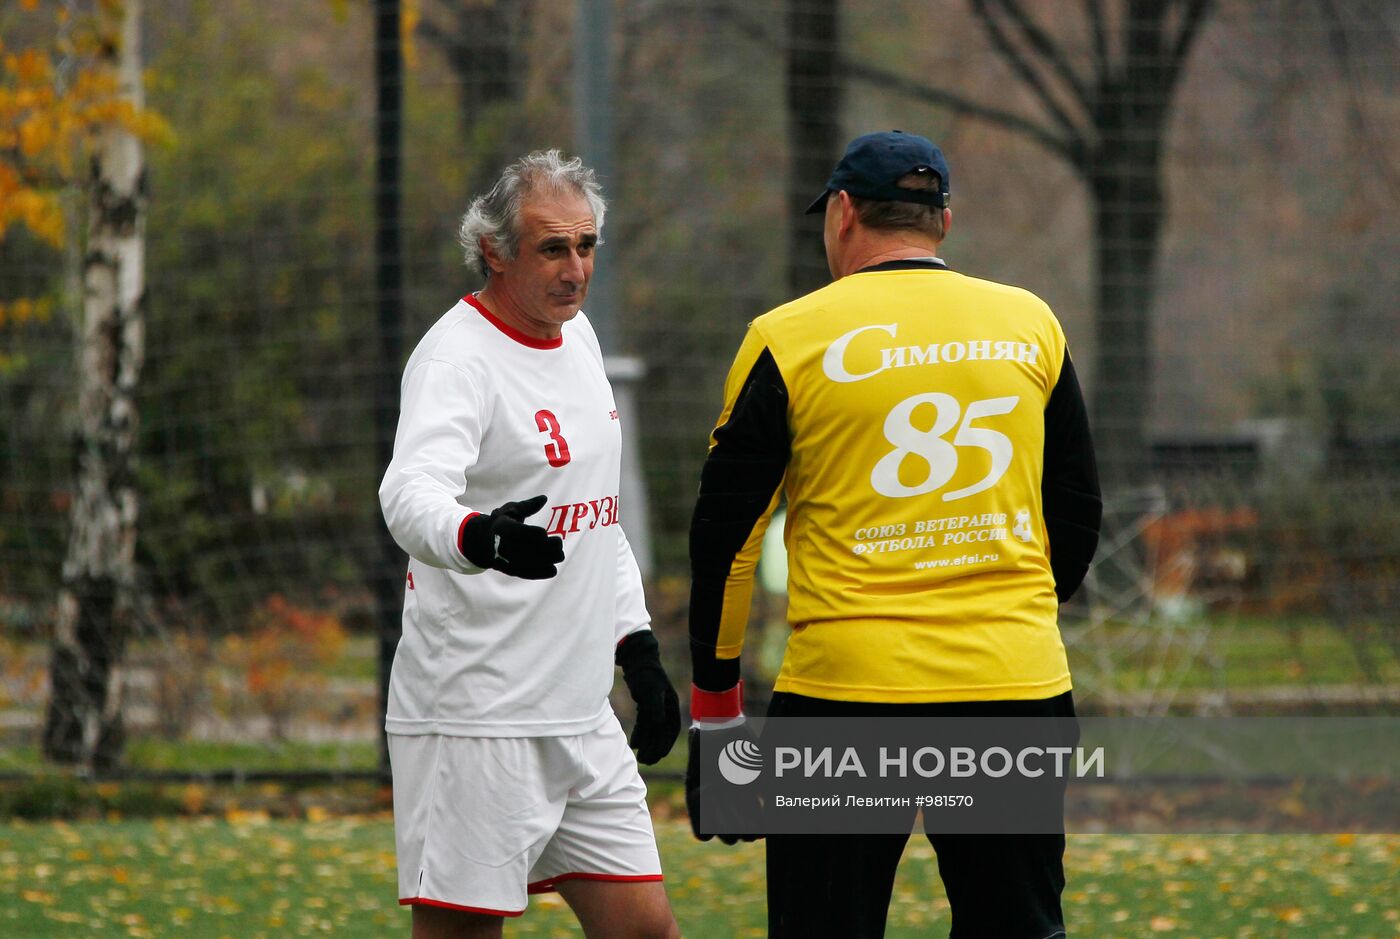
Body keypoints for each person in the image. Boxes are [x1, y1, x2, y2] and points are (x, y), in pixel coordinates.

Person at [686, 130, 1102, 938]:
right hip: (1010, 686)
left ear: (843, 213)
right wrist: (1006, 616)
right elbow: (1077, 512)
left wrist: (717, 715)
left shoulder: (788, 336)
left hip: (850, 693)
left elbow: (728, 541)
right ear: (943, 218)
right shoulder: (1031, 325)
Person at [380, 150, 682, 939]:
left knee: (648, 932)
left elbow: (596, 516)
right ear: (496, 251)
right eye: (553, 247)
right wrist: (480, 536)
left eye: (586, 246)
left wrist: (639, 650)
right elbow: (407, 496)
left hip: (581, 716)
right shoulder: (457, 357)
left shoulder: (577, 339)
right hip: (478, 715)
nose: (575, 268)